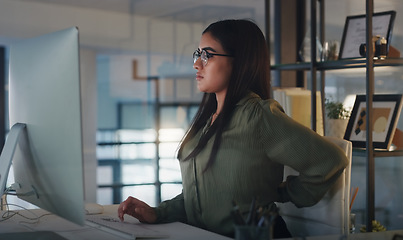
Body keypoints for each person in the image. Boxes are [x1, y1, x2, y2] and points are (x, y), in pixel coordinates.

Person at [118, 19, 348, 238]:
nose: (196, 63)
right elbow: (201, 198)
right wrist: (157, 213)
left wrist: (282, 192)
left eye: (207, 55)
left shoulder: (257, 116)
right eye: (198, 54)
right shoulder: (206, 122)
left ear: (239, 61)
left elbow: (330, 161)